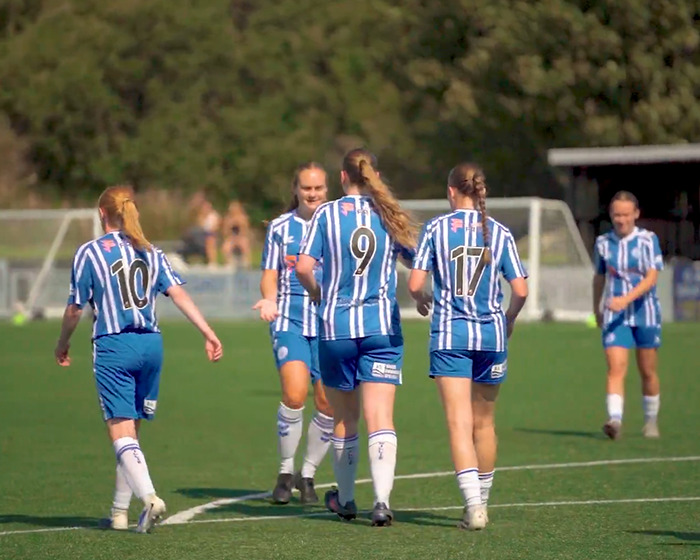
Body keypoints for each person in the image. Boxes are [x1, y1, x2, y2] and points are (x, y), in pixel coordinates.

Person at [54, 185, 223, 533]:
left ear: (102, 213)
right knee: (132, 434)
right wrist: (208, 332)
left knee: (120, 433)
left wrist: (62, 343)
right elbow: (177, 294)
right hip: (151, 347)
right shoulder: (150, 251)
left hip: (114, 346)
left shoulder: (90, 252)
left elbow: (74, 309)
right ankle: (119, 512)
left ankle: (148, 497)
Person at [296, 148, 417, 527]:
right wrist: (424, 294)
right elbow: (417, 263)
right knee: (381, 417)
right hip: (381, 328)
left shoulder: (326, 214)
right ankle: (381, 503)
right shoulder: (388, 213)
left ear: (343, 177)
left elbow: (302, 266)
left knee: (344, 419)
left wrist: (317, 292)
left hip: (336, 330)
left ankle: (346, 500)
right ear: (374, 175)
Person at [407, 163, 528, 530]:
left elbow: (415, 284)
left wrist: (422, 298)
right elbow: (521, 290)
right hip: (491, 336)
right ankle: (484, 502)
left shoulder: (435, 229)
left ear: (450, 191)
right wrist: (508, 318)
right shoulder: (500, 231)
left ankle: (473, 506)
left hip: (450, 337)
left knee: (459, 424)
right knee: (485, 424)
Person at [252, 163, 334, 505]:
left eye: (318, 188)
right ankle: (286, 472)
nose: (312, 194)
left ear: (327, 189)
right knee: (296, 394)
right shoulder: (280, 228)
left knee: (329, 403)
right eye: (306, 188)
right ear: (295, 190)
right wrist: (270, 300)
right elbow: (269, 272)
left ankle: (309, 474)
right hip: (290, 320)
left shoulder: (336, 223)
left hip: (330, 322)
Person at [592, 191, 663, 440]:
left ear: (636, 214)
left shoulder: (647, 240)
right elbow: (599, 277)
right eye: (616, 215)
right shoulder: (603, 243)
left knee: (647, 371)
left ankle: (651, 421)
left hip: (645, 313)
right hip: (615, 315)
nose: (620, 220)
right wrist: (597, 307)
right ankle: (615, 420)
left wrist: (626, 299)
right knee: (615, 368)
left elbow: (652, 277)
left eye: (625, 214)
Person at [179, 193, 221, 266]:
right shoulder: (201, 217)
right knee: (191, 234)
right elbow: (199, 226)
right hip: (200, 236)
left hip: (210, 235)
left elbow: (214, 229)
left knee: (209, 239)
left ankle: (212, 262)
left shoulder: (214, 216)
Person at [221, 200, 252, 269]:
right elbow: (225, 233)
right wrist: (229, 225)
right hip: (231, 237)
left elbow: (245, 231)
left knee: (244, 243)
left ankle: (246, 263)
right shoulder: (227, 218)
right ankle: (228, 263)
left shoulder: (243, 218)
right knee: (226, 246)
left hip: (241, 237)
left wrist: (240, 224)